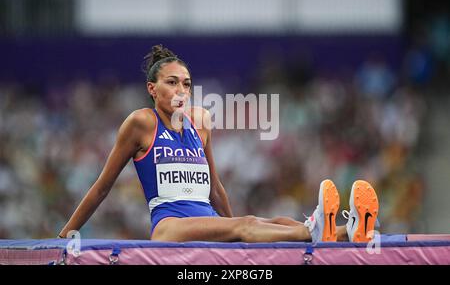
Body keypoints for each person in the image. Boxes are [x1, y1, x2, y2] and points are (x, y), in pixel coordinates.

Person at [58, 44, 379, 243]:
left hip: (207, 215)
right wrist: (66, 233)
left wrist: (240, 236)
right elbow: (102, 186)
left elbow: (216, 188)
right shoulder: (141, 122)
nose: (181, 90)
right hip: (171, 225)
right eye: (171, 83)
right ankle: (314, 229)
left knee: (275, 223)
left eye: (186, 84)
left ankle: (345, 232)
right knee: (248, 225)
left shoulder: (201, 121)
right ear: (152, 89)